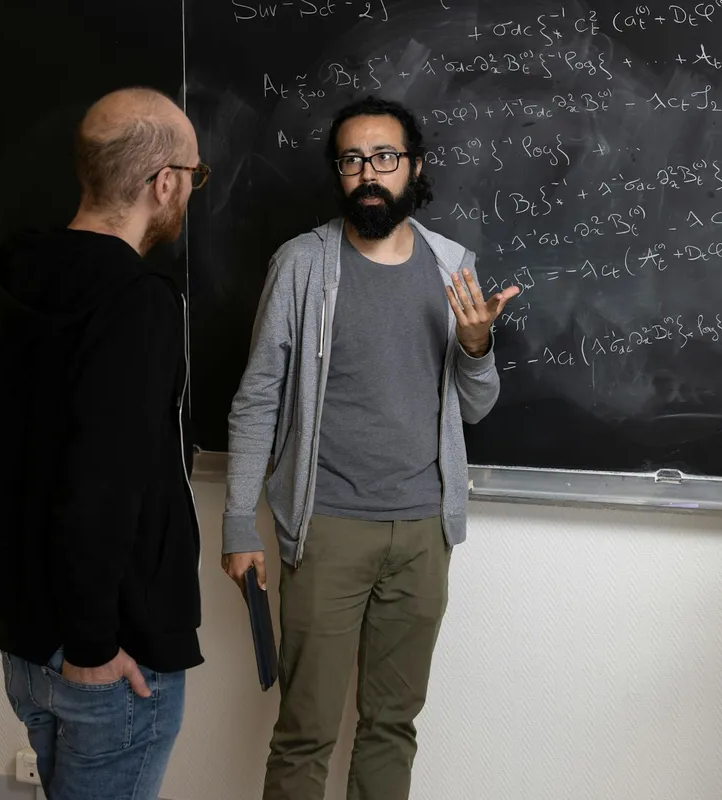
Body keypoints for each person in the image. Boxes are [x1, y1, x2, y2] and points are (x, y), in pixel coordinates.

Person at [222, 94, 519, 800]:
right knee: (305, 731)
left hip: (423, 532)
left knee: (392, 726)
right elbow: (257, 398)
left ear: (414, 166)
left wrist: (477, 347)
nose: (368, 174)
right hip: (325, 527)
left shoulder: (452, 268)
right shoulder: (302, 265)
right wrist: (238, 523)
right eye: (352, 160)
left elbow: (476, 406)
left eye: (384, 157)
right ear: (338, 172)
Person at [0, 87, 209, 800]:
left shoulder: (13, 272)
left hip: (26, 639)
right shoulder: (136, 302)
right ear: (162, 182)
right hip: (106, 653)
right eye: (194, 175)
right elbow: (102, 486)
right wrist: (93, 647)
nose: (191, 191)